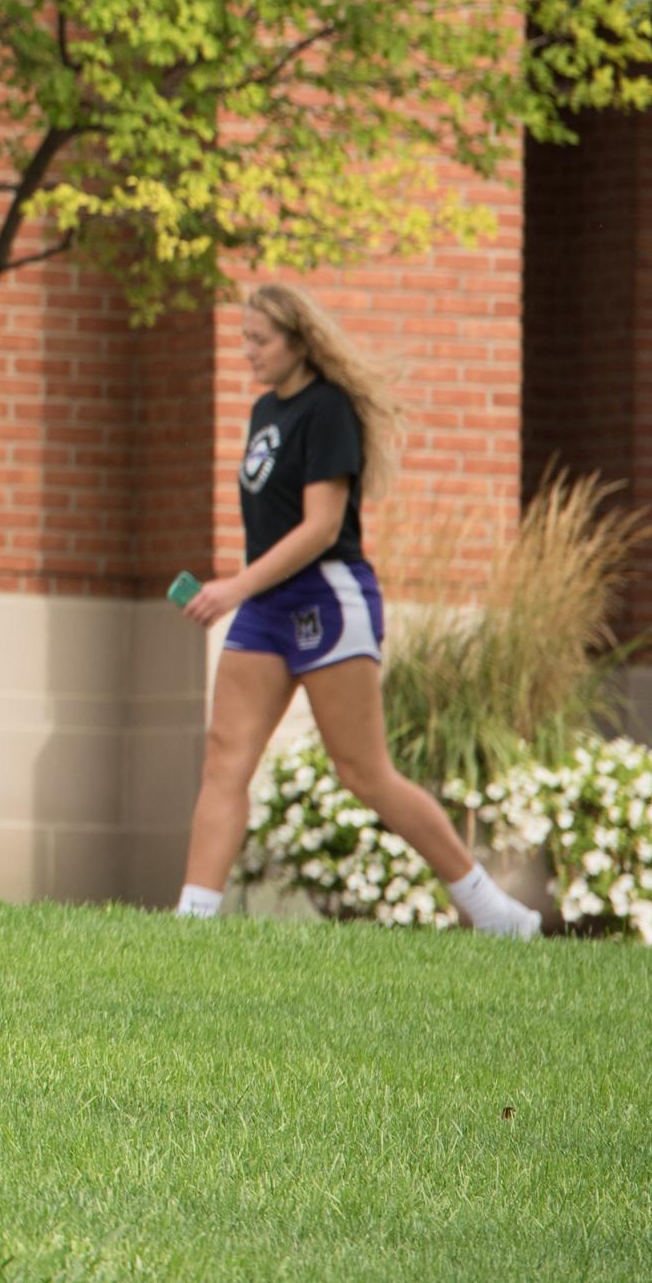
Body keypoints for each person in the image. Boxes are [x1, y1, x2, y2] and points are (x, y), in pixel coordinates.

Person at [173, 279, 539, 940]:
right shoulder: (265, 412)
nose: (247, 351)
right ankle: (191, 920)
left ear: (299, 341)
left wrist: (234, 587)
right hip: (266, 608)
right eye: (244, 339)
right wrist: (248, 592)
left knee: (363, 772)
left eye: (259, 340)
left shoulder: (328, 411)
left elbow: (319, 527)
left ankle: (495, 912)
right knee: (224, 760)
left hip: (328, 598)